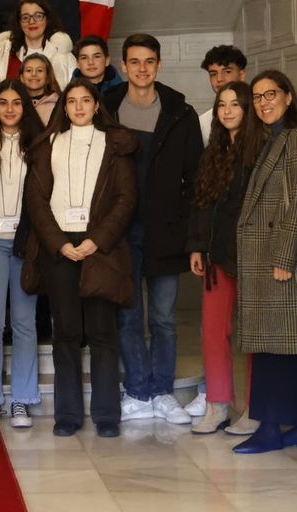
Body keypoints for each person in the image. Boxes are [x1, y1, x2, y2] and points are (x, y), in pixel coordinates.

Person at [23, 78, 138, 437]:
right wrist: (58, 243)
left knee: (102, 331)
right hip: (59, 248)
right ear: (64, 107)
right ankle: (68, 415)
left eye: (85, 100)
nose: (78, 107)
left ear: (96, 105)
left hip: (99, 246)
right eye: (71, 101)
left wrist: (96, 241)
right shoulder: (48, 144)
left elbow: (126, 198)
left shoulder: (113, 144)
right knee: (66, 332)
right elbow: (36, 200)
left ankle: (107, 415)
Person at [101, 34, 203, 425]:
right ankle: (138, 391)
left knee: (163, 319)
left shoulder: (180, 113)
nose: (142, 69)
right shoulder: (106, 109)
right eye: (134, 61)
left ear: (159, 65)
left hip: (166, 232)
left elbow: (196, 178)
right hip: (121, 232)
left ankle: (162, 392)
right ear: (123, 66)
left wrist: (191, 233)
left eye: (149, 61)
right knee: (128, 318)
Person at [232, 71, 297, 455]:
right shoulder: (272, 139)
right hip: (270, 258)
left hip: (281, 260)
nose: (263, 103)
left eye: (270, 94)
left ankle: (270, 428)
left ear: (288, 97)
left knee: (276, 348)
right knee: (292, 346)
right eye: (257, 97)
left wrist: (285, 257)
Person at [187, 80, 265, 435]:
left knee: (252, 334)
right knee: (213, 332)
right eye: (222, 105)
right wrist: (197, 246)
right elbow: (200, 205)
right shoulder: (212, 153)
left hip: (251, 256)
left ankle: (254, 409)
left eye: (235, 104)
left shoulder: (261, 152)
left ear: (247, 109)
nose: (228, 110)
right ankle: (217, 404)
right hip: (216, 257)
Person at [0, 79, 45, 429]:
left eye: (17, 102)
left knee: (24, 323)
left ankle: (22, 399)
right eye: (3, 102)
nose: (10, 109)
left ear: (25, 107)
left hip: (26, 243)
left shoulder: (39, 145)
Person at [0, 0, 78, 92]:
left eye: (38, 16)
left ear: (47, 19)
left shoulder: (62, 54)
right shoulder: (3, 53)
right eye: (25, 17)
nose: (32, 21)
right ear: (19, 22)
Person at [199, 45, 248, 146]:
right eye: (213, 74)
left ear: (242, 75)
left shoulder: (260, 113)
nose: (219, 79)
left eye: (227, 72)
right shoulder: (203, 122)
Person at [20, 53, 62, 125]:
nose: (34, 74)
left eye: (39, 70)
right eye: (29, 70)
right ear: (22, 78)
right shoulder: (15, 103)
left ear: (48, 77)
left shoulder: (58, 104)